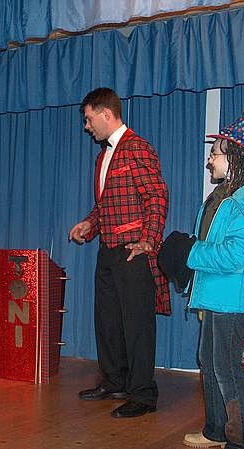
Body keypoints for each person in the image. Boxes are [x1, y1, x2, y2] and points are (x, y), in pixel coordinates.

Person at [161, 111, 244, 449]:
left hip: (233, 296)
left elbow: (235, 255)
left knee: (227, 367)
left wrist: (190, 251)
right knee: (210, 361)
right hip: (217, 291)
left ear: (237, 156)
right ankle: (216, 431)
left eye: (215, 153)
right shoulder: (226, 194)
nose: (209, 159)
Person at [68, 87, 169, 418]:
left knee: (137, 325)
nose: (86, 127)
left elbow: (156, 196)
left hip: (133, 250)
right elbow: (106, 206)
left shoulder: (137, 147)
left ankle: (143, 395)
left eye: (88, 119)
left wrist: (148, 240)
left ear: (106, 114)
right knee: (108, 321)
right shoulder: (103, 157)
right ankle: (114, 382)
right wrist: (89, 224)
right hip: (107, 250)